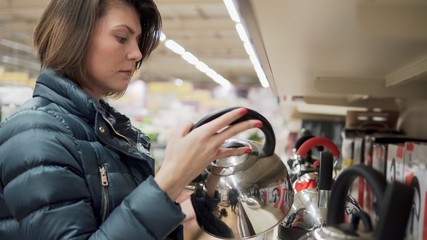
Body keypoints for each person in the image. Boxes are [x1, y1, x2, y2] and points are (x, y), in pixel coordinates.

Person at [0, 0, 262, 239]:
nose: (137, 54)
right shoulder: (35, 133)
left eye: (137, 41)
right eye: (122, 37)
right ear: (74, 36)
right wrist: (170, 178)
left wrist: (176, 197)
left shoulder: (105, 130)